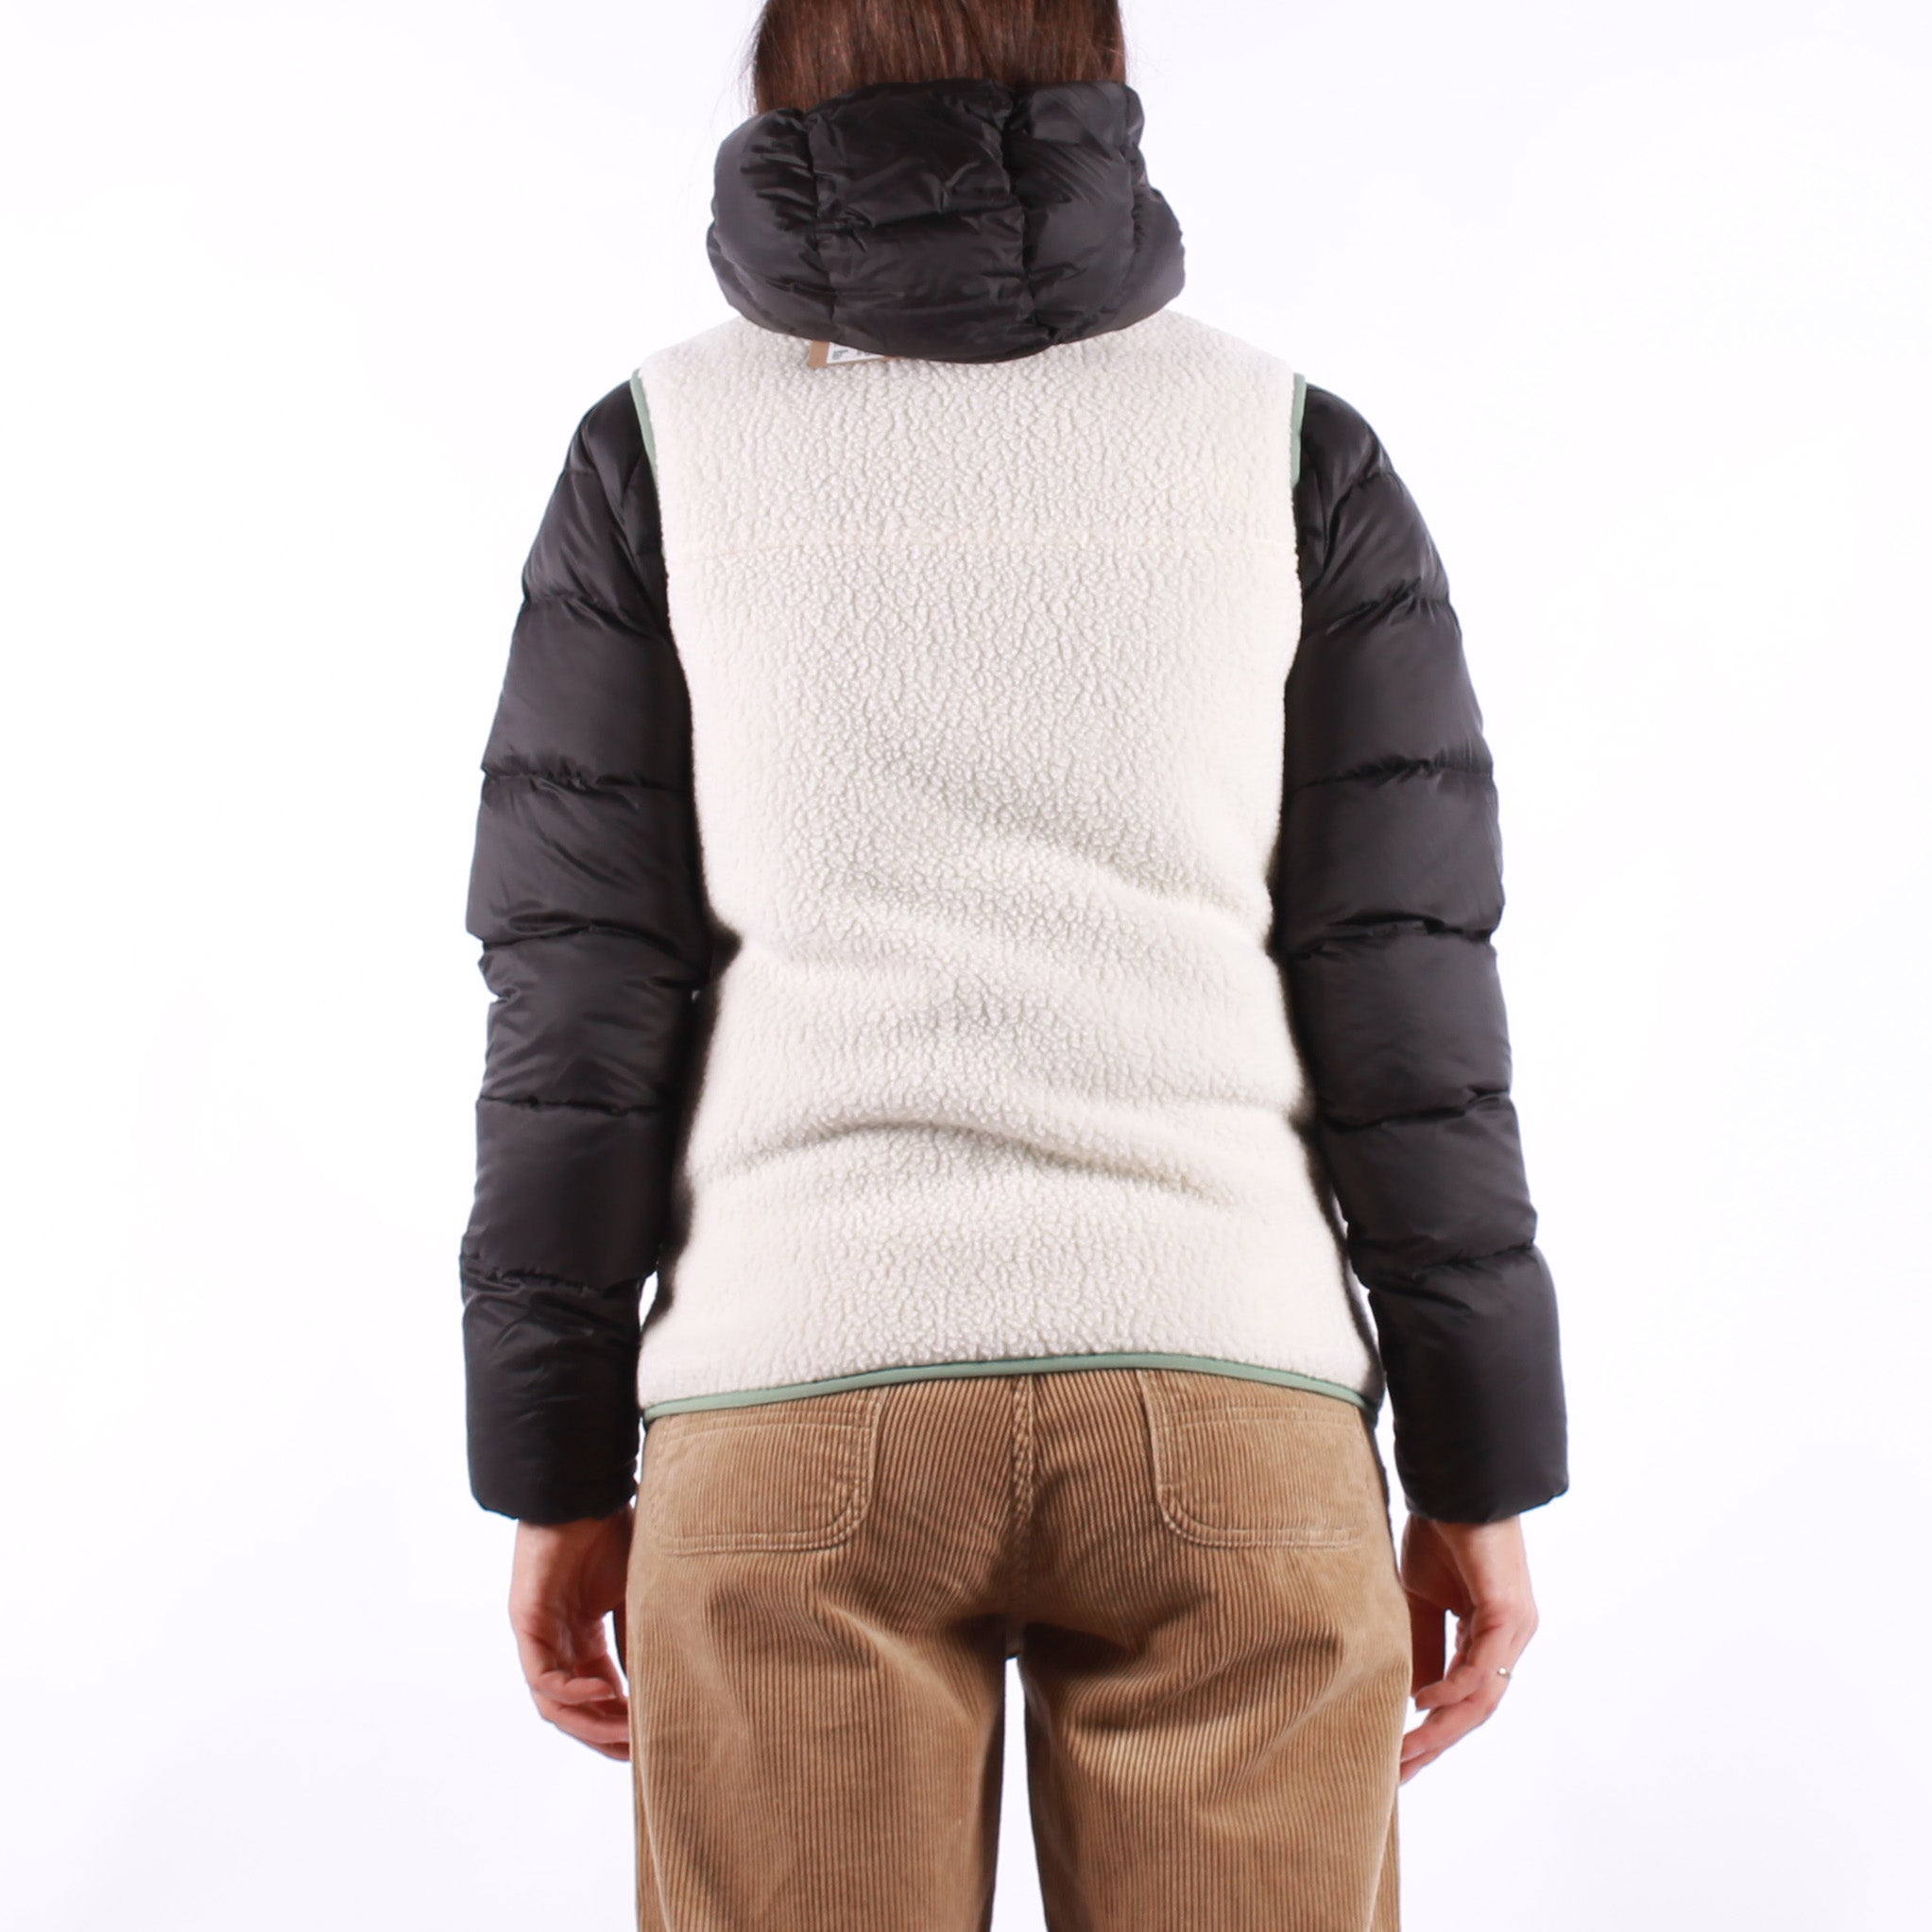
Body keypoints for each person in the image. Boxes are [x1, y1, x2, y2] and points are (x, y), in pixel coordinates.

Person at [458, 3, 1567, 1925]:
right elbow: (1408, 1003)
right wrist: (1479, 1462)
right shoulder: (1291, 447)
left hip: (789, 1395)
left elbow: (580, 1003)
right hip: (1230, 1394)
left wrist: (552, 1464)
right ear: (1096, 74)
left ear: (784, 73)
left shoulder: (656, 449)